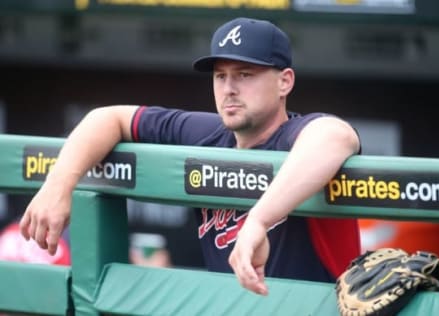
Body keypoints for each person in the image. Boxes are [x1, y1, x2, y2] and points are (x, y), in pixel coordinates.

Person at [19, 17, 361, 296]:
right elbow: (107, 118)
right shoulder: (206, 135)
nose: (229, 88)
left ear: (285, 81)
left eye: (245, 74)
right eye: (220, 75)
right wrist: (58, 186)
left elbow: (336, 136)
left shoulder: (298, 135)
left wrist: (258, 221)